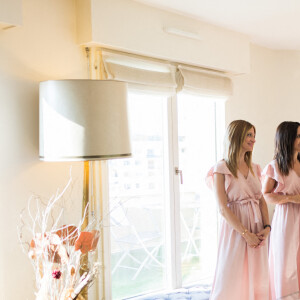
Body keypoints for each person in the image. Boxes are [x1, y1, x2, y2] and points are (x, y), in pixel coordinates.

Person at [206, 120, 270, 300]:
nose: (253, 139)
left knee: (258, 276)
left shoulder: (255, 168)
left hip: (257, 228)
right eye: (249, 135)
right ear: (236, 136)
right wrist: (245, 233)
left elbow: (261, 200)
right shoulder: (221, 168)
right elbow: (222, 208)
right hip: (236, 228)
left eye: (254, 135)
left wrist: (267, 227)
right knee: (232, 273)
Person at [262, 121, 300, 299]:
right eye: (298, 135)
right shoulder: (275, 166)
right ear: (287, 138)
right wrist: (292, 198)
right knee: (286, 261)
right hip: (287, 218)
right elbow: (266, 195)